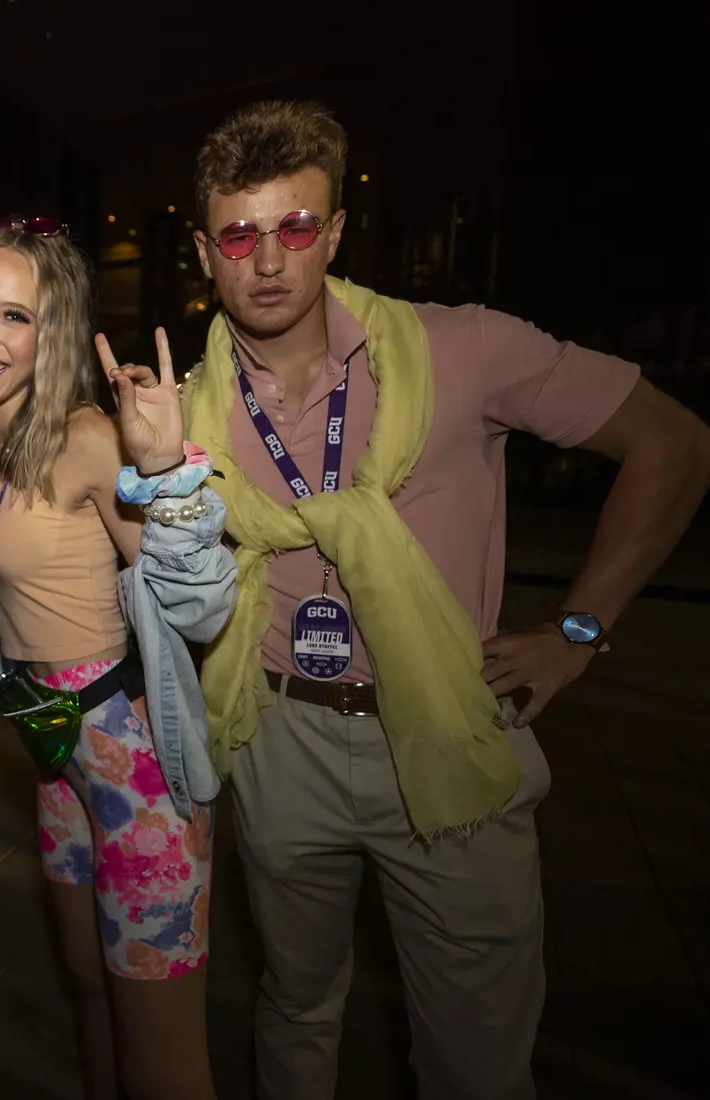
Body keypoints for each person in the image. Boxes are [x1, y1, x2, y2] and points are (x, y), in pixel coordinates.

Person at [181, 100, 710, 1100]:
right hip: (277, 737)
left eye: (297, 226)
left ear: (337, 230)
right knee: (296, 1004)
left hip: (445, 724)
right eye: (240, 235)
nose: (269, 260)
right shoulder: (185, 407)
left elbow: (673, 444)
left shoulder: (462, 347)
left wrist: (578, 630)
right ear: (206, 251)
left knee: (475, 1056)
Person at [0, 222, 236, 1100]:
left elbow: (193, 604)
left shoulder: (87, 435)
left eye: (15, 316)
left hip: (131, 756)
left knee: (162, 1049)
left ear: (51, 333)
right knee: (88, 983)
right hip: (51, 748)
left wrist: (167, 473)